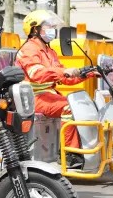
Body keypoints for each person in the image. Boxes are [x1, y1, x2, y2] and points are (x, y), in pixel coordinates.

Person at [15, 10, 88, 166]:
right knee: (69, 108)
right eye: (48, 26)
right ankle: (69, 154)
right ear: (35, 29)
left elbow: (64, 78)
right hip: (33, 97)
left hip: (47, 95)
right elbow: (36, 74)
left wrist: (87, 74)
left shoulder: (49, 51)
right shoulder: (29, 49)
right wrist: (63, 72)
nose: (52, 30)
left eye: (53, 26)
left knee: (80, 104)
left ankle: (80, 150)